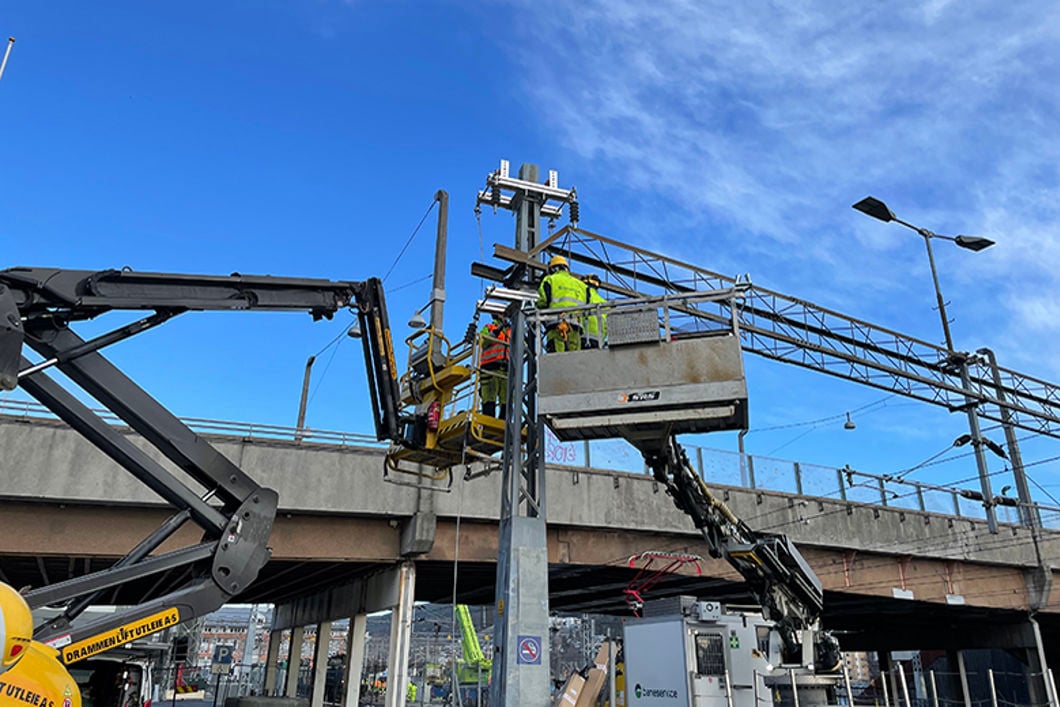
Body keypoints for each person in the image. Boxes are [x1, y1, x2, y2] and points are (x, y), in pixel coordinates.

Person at [536, 255, 588, 353]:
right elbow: (587, 306)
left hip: (556, 326)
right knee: (575, 362)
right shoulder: (581, 285)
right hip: (575, 327)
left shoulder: (550, 280)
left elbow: (542, 302)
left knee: (556, 360)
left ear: (553, 268)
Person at [478, 313, 510, 418]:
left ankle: (504, 425)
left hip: (506, 370)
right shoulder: (489, 327)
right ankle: (488, 425)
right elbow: (482, 341)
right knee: (488, 399)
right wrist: (496, 331)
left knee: (507, 400)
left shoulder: (512, 331)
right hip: (490, 368)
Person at [580, 273, 607, 349]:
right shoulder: (604, 302)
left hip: (583, 337)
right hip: (598, 340)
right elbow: (607, 327)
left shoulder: (581, 297)